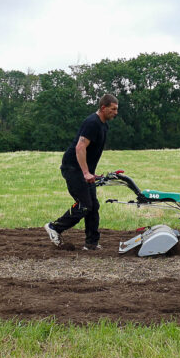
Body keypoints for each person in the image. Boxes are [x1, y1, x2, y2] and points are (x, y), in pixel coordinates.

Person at [44, 94, 119, 250]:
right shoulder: (92, 123)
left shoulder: (104, 125)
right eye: (113, 109)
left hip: (83, 170)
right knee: (85, 205)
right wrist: (85, 172)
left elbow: (91, 151)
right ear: (103, 108)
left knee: (93, 206)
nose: (116, 112)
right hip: (73, 168)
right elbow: (80, 147)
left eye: (116, 109)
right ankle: (54, 227)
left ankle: (91, 243)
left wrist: (91, 172)